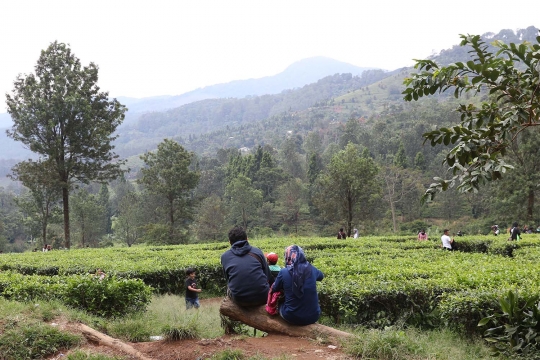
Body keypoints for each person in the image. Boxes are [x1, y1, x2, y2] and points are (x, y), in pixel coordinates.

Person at [271, 245, 324, 325]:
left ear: (287, 257)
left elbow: (275, 288)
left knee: (280, 303)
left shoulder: (284, 272)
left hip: (292, 316)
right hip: (313, 316)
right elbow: (321, 276)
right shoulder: (311, 269)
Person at [221, 226, 272, 306]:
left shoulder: (225, 256)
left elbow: (228, 279)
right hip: (263, 297)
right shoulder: (257, 252)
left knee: (229, 288)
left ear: (230, 242)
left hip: (240, 300)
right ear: (247, 239)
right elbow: (267, 276)